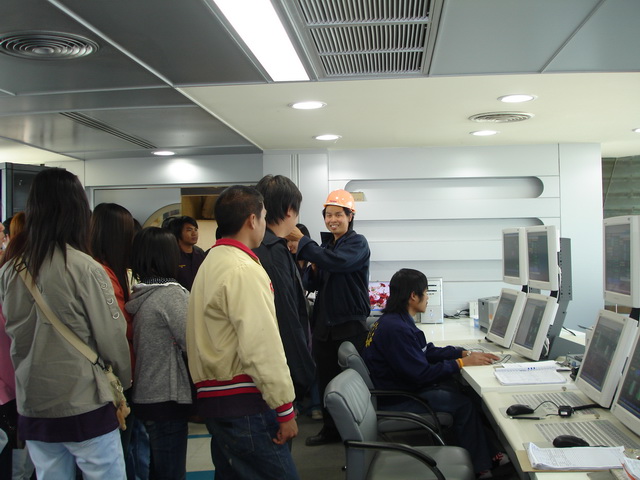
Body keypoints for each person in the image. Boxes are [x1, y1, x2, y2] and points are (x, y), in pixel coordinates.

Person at [0, 168, 131, 479]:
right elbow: (112, 336)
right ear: (77, 209)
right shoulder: (85, 268)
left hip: (33, 401)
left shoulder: (10, 271)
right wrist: (123, 383)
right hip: (83, 399)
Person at [187, 185, 299, 480]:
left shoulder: (210, 263)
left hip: (215, 399)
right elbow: (261, 344)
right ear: (252, 220)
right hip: (246, 402)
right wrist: (284, 408)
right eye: (263, 216)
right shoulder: (242, 268)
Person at [362, 268, 505, 477]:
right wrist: (460, 363)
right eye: (426, 292)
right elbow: (421, 374)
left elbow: (425, 351)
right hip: (399, 397)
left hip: (398, 386)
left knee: (462, 391)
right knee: (463, 404)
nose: (428, 297)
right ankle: (482, 468)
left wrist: (462, 353)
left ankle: (489, 455)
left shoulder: (395, 320)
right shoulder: (397, 329)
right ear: (413, 296)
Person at [287, 189, 371, 446]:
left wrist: (305, 243)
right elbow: (312, 282)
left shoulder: (357, 243)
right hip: (325, 325)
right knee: (326, 380)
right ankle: (330, 430)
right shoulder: (326, 247)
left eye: (338, 214)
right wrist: (311, 265)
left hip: (349, 324)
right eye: (328, 215)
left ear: (350, 216)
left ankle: (358, 429)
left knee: (351, 380)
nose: (332, 220)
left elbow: (339, 263)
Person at [126, 227, 193, 480]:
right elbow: (192, 341)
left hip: (146, 393)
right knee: (170, 472)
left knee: (156, 469)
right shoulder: (170, 294)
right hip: (168, 396)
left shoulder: (141, 293)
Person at [253, 175, 315, 408]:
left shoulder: (254, 245)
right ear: (290, 210)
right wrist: (303, 373)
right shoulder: (274, 251)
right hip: (275, 369)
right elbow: (286, 315)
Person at [169, 216, 206, 291]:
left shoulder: (200, 253)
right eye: (189, 230)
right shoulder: (172, 255)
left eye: (195, 230)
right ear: (178, 233)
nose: (194, 233)